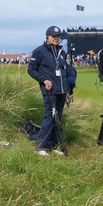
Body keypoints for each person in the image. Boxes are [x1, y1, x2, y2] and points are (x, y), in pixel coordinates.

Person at [27, 25, 77, 156]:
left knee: (58, 118)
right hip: (49, 90)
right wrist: (44, 80)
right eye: (54, 36)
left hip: (61, 91)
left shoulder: (62, 52)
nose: (56, 38)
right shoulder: (39, 51)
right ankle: (40, 146)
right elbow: (31, 69)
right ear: (47, 37)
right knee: (50, 116)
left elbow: (65, 72)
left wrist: (67, 91)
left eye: (58, 36)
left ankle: (53, 145)